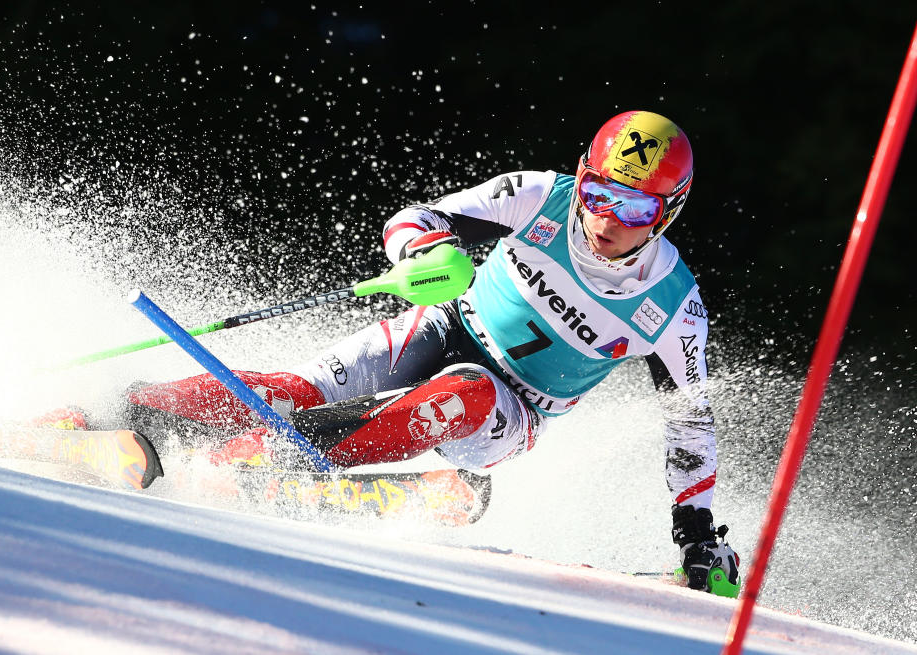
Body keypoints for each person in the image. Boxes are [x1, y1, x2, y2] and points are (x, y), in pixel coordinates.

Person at [42, 110, 740, 594]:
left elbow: (690, 425)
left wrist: (696, 533)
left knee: (462, 391)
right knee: (296, 387)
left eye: (638, 209)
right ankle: (122, 407)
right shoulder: (539, 197)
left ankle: (288, 459)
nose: (606, 219)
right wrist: (427, 251)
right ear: (580, 174)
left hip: (511, 407)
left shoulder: (673, 307)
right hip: (446, 323)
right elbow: (415, 219)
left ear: (669, 212)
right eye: (597, 191)